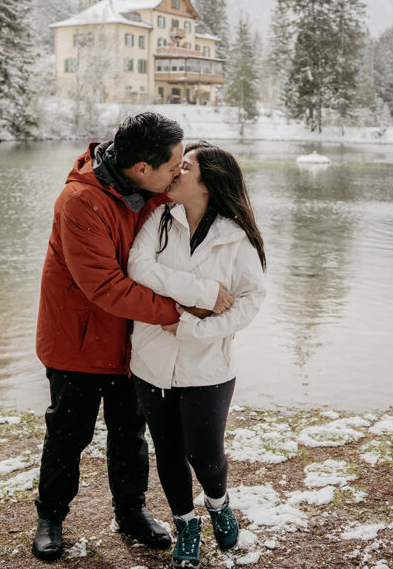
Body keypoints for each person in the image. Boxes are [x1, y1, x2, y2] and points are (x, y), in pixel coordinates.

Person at [32, 114, 234, 561]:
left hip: (130, 339)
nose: (178, 173)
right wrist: (182, 311)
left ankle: (131, 512)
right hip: (77, 341)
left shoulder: (150, 189)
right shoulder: (79, 202)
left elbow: (204, 193)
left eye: (183, 165)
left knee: (129, 432)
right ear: (142, 167)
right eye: (173, 166)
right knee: (69, 432)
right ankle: (51, 516)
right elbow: (104, 287)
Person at [127, 141, 267, 569]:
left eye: (184, 167)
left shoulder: (235, 237)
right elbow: (138, 267)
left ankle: (218, 502)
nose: (174, 172)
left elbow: (249, 300)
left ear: (208, 183)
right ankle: (186, 523)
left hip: (209, 365)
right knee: (167, 450)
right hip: (152, 360)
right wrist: (202, 293)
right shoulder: (159, 219)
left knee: (205, 454)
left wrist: (196, 328)